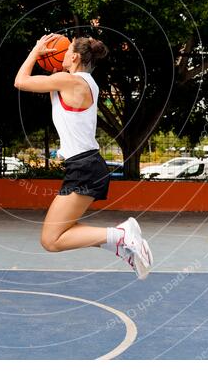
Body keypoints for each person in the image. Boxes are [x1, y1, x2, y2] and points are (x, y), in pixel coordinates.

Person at [14, 34, 153, 279]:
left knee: (51, 240)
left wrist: (36, 51)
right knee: (59, 234)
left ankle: (121, 236)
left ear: (75, 57)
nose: (64, 54)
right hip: (86, 166)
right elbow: (50, 82)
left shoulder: (71, 82)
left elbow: (20, 81)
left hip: (84, 168)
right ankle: (120, 244)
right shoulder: (82, 82)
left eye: (67, 51)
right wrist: (54, 58)